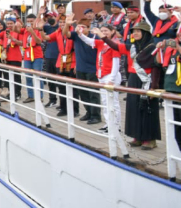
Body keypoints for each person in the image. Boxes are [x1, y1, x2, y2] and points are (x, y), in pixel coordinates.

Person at [74, 23, 130, 158]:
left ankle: (116, 126)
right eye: (102, 30)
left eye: (106, 31)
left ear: (112, 32)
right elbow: (89, 41)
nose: (103, 33)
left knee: (113, 102)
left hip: (110, 76)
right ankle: (108, 123)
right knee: (105, 101)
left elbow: (116, 63)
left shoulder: (114, 44)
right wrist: (80, 33)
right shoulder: (100, 43)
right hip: (101, 75)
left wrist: (111, 78)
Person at [103, 21, 160, 149]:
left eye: (138, 31)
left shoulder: (153, 47)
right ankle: (137, 136)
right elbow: (116, 46)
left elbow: (156, 67)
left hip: (147, 81)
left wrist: (153, 87)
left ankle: (150, 139)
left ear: (145, 33)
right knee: (134, 108)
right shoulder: (132, 47)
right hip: (133, 79)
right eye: (134, 31)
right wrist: (103, 37)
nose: (135, 33)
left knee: (147, 109)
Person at [64, 16, 101, 125]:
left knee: (93, 93)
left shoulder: (94, 37)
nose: (80, 29)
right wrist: (67, 24)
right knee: (83, 92)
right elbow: (65, 33)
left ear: (88, 29)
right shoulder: (76, 36)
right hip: (80, 69)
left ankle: (96, 115)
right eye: (79, 26)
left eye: (83, 27)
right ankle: (89, 112)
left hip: (92, 69)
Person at [156, 35, 181, 154]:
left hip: (179, 89)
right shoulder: (171, 49)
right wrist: (160, 49)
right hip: (170, 88)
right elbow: (158, 62)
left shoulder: (177, 48)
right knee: (174, 124)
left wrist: (178, 47)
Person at [21, 14, 44, 104]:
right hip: (27, 56)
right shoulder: (25, 31)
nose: (30, 23)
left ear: (35, 21)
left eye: (31, 21)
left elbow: (39, 41)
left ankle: (40, 97)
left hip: (37, 55)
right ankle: (30, 96)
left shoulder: (38, 30)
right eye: (28, 21)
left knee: (38, 77)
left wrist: (33, 32)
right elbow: (16, 29)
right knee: (28, 77)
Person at [40, 12, 60, 108]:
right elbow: (37, 26)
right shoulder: (47, 27)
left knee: (60, 81)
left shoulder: (61, 27)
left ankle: (63, 103)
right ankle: (52, 100)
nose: (50, 18)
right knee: (50, 80)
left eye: (51, 16)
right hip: (48, 56)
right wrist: (41, 14)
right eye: (48, 17)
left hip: (59, 57)